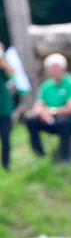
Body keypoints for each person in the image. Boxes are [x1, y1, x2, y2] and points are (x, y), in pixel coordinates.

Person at [25, 53, 71, 163]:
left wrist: (52, 111)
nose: (54, 71)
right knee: (31, 121)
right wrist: (43, 114)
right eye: (51, 69)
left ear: (63, 68)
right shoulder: (46, 86)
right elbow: (37, 108)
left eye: (56, 68)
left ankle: (66, 157)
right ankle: (39, 155)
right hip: (51, 120)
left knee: (63, 122)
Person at [0, 43, 15, 171]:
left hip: (4, 108)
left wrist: (2, 59)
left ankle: (5, 164)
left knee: (5, 137)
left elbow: (12, 74)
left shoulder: (2, 66)